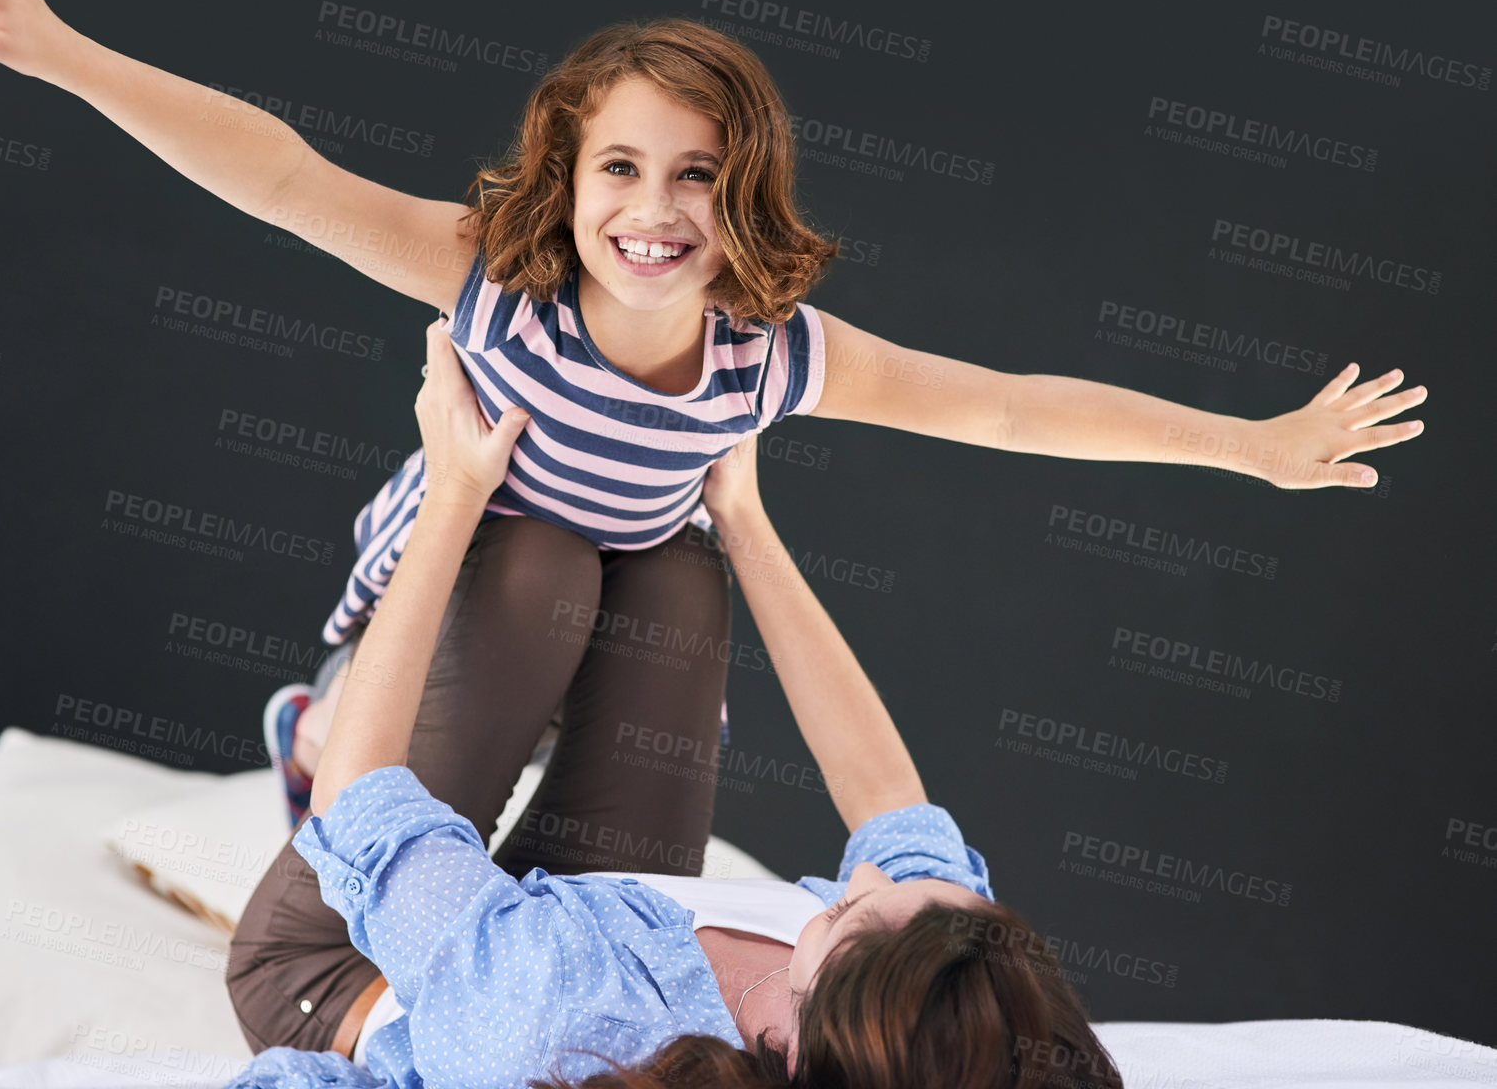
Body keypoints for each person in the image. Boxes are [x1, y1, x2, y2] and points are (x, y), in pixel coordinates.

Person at [0, 0, 1429, 825]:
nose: (655, 213)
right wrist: (65, 54)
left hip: (599, 651)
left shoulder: (763, 359)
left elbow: (1008, 407)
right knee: (538, 561)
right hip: (435, 621)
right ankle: (315, 735)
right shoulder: (493, 282)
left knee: (668, 575)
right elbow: (278, 171)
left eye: (697, 177)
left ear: (746, 198)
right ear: (564, 184)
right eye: (620, 172)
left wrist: (1251, 443)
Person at [220, 321, 1124, 1089]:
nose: (871, 878)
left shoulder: (559, 1011)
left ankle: (308, 732)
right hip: (574, 918)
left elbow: (363, 803)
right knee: (678, 574)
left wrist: (456, 487)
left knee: (534, 565)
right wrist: (744, 518)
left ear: (812, 1048)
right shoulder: (946, 1011)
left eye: (851, 919)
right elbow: (887, 794)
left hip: (340, 973)